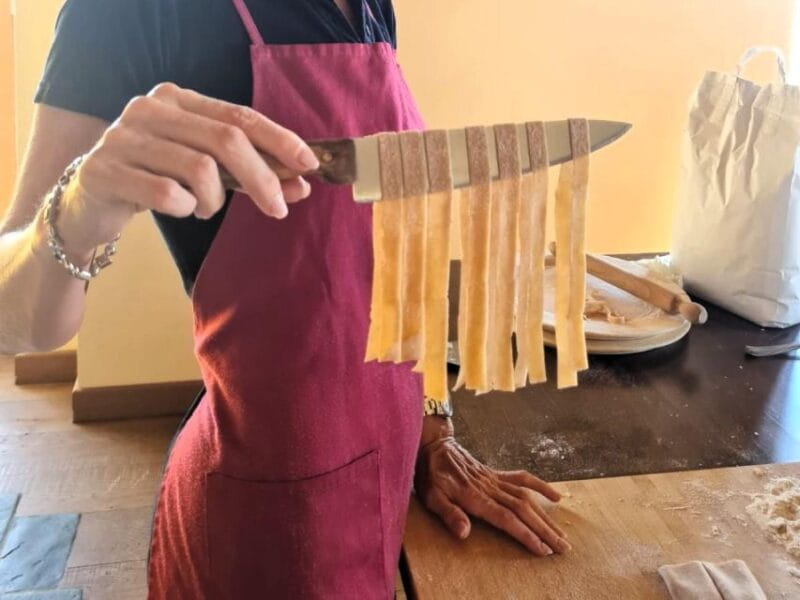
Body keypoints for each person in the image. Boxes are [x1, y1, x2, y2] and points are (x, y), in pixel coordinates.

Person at [0, 1, 570, 597]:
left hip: (388, 474)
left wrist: (434, 429)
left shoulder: (370, 6)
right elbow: (13, 320)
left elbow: (388, 252)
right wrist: (80, 206)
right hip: (270, 517)